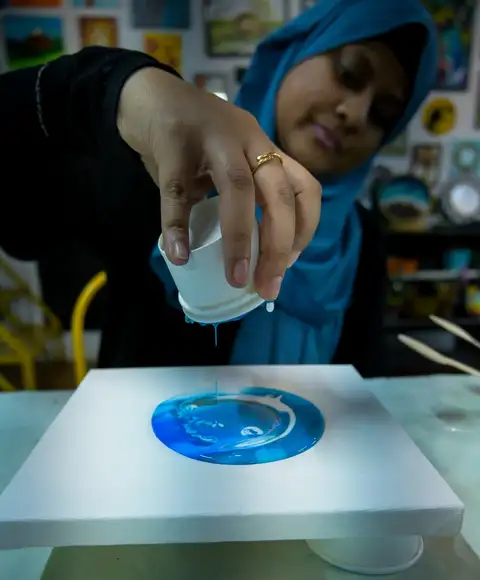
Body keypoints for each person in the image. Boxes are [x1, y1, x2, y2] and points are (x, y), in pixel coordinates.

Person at [150, 0, 438, 374]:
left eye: (382, 114)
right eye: (349, 74)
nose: (354, 114)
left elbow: (363, 377)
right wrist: (137, 93)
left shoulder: (362, 239)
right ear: (295, 53)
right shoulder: (175, 185)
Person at [0, 46, 320, 314]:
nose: (347, 111)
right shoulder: (149, 172)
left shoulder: (354, 248)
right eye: (345, 73)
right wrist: (118, 86)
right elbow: (23, 228)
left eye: (373, 112)